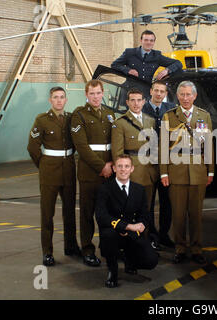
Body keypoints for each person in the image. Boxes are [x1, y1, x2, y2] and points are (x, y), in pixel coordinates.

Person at [160, 81, 214, 265]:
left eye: (188, 94)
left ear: (195, 96)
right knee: (178, 213)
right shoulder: (169, 117)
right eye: (181, 94)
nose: (185, 98)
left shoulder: (204, 116)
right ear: (177, 96)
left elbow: (208, 145)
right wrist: (163, 173)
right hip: (176, 170)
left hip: (198, 170)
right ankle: (180, 248)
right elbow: (162, 147)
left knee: (196, 213)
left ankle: (197, 248)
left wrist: (211, 170)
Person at [27, 87, 80, 266]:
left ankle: (71, 246)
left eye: (62, 97)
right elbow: (33, 147)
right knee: (47, 213)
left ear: (66, 100)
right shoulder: (42, 120)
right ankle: (47, 251)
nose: (59, 100)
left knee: (70, 211)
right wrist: (43, 165)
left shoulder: (72, 118)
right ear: (50, 100)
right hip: (49, 171)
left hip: (69, 169)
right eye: (55, 97)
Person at [95, 154, 158, 288]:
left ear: (132, 169)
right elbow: (101, 216)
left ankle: (130, 261)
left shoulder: (139, 189)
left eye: (126, 166)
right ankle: (113, 270)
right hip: (114, 231)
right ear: (114, 168)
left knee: (151, 261)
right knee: (108, 236)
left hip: (132, 233)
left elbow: (145, 215)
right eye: (120, 166)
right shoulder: (105, 189)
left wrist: (142, 225)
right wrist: (126, 226)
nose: (123, 170)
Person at [71, 80, 116, 267]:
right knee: (87, 214)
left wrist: (112, 164)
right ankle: (88, 250)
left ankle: (107, 248)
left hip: (109, 171)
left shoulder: (110, 114)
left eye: (98, 93)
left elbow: (115, 141)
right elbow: (81, 147)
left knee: (107, 213)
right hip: (90, 173)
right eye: (92, 94)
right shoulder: (78, 115)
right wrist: (102, 167)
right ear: (86, 95)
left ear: (103, 93)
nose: (96, 97)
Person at [111, 88, 159, 249]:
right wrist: (123, 175)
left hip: (150, 171)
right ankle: (131, 244)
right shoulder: (120, 123)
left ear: (144, 102)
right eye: (132, 100)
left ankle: (147, 241)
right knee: (130, 211)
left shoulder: (150, 121)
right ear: (127, 102)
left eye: (139, 100)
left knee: (148, 209)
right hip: (132, 174)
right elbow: (118, 153)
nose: (136, 103)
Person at [142, 81, 175, 248]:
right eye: (156, 90)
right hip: (146, 162)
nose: (159, 94)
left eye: (162, 91)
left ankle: (164, 234)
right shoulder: (141, 108)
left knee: (166, 202)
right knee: (147, 202)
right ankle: (150, 234)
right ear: (151, 91)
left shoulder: (171, 109)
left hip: (165, 163)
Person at [111, 30, 182, 83]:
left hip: (146, 91)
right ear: (141, 40)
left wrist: (167, 70)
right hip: (128, 91)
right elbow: (114, 65)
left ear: (154, 42)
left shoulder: (157, 56)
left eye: (151, 40)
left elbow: (178, 63)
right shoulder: (129, 53)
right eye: (146, 40)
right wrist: (128, 70)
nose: (149, 43)